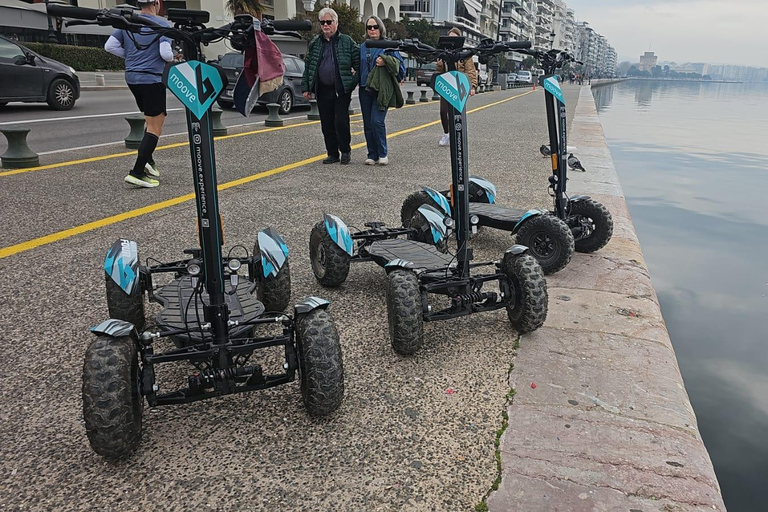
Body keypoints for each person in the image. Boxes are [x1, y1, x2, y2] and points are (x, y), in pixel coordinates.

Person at [105, 0, 174, 188]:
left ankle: (148, 161)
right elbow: (165, 54)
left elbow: (109, 46)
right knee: (155, 126)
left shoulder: (128, 21)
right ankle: (137, 172)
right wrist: (173, 56)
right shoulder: (161, 24)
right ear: (157, 3)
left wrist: (131, 56)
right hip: (152, 78)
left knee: (149, 120)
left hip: (132, 78)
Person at [301, 8, 360, 165]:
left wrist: (351, 83)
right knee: (326, 123)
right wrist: (306, 87)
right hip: (323, 89)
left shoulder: (347, 41)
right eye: (323, 22)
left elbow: (358, 65)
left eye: (329, 22)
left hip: (341, 90)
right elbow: (309, 66)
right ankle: (332, 153)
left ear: (336, 23)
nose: (326, 25)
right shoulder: (315, 43)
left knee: (341, 122)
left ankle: (345, 151)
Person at [358, 16, 405, 166]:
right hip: (365, 88)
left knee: (377, 121)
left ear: (380, 28)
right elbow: (357, 66)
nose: (372, 30)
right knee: (367, 124)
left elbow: (401, 68)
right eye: (369, 27)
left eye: (375, 26)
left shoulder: (388, 45)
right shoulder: (363, 47)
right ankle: (372, 154)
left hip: (382, 89)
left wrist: (386, 62)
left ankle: (383, 153)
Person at [435, 27, 477, 146]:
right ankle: (446, 133)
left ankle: (458, 133)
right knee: (443, 111)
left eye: (454, 38)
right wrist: (439, 65)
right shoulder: (444, 53)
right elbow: (440, 70)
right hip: (447, 84)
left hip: (460, 85)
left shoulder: (465, 54)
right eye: (449, 38)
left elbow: (471, 71)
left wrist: (472, 86)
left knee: (457, 112)